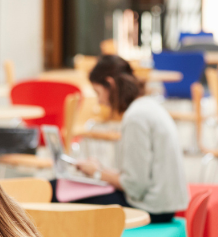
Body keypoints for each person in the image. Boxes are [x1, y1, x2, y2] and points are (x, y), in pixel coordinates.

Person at [60, 54, 189, 223]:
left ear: (111, 84)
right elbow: (140, 175)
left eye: (98, 93)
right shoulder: (147, 106)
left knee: (60, 194)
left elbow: (135, 187)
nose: (100, 101)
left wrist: (97, 173)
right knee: (68, 189)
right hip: (162, 204)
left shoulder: (136, 117)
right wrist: (101, 169)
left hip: (151, 208)